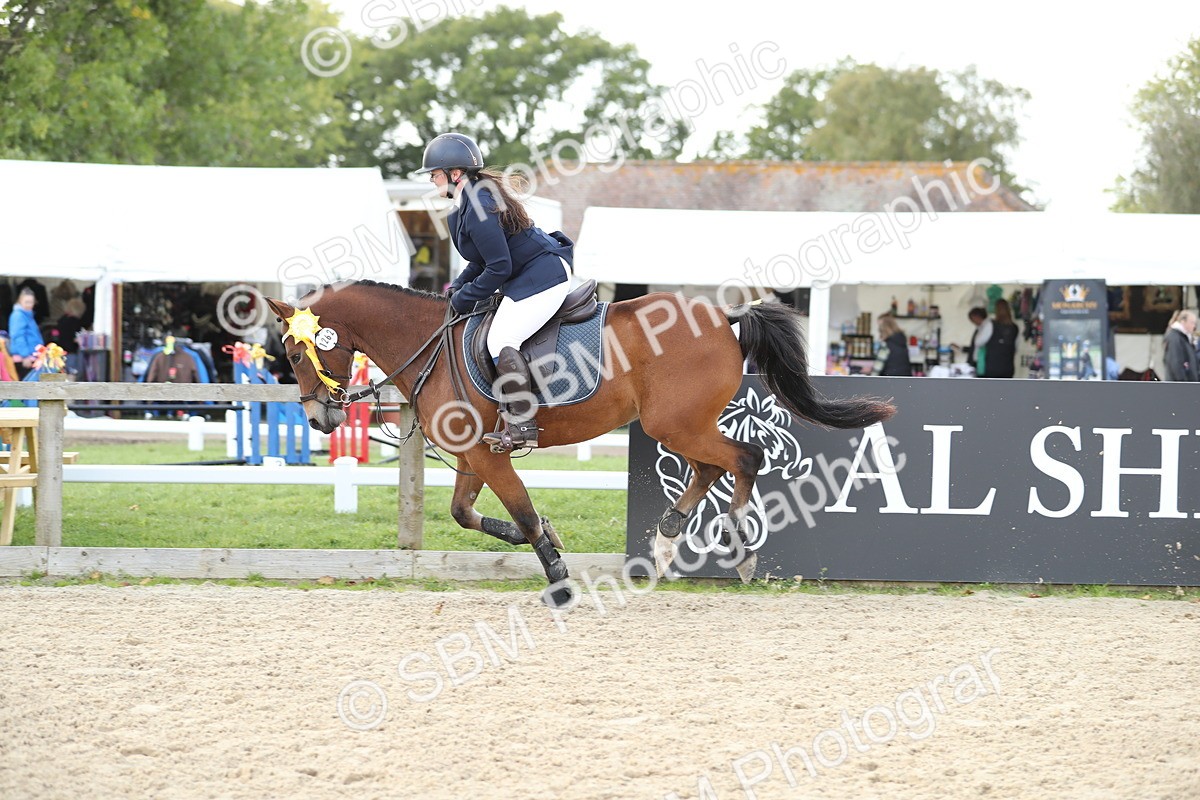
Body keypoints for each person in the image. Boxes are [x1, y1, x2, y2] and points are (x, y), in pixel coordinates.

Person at [416, 132, 575, 452]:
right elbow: (480, 261)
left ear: (455, 173)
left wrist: (464, 298)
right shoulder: (462, 207)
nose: (432, 181)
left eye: (434, 174)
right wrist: (458, 287)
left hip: (545, 275)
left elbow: (499, 268)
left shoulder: (480, 205)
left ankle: (522, 424)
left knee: (500, 340)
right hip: (524, 275)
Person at [7, 287, 44, 376]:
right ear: (20, 301)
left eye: (31, 302)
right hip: (24, 358)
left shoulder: (28, 315)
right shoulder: (18, 316)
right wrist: (25, 356)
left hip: (32, 357)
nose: (29, 305)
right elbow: (18, 336)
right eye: (26, 302)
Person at [980, 298, 1019, 378]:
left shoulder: (991, 324)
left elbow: (979, 342)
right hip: (1008, 367)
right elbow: (1016, 347)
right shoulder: (1015, 327)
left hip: (992, 366)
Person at [1162, 310, 1198, 382]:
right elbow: (1176, 362)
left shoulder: (1184, 338)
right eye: (1192, 323)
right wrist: (1183, 383)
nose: (1194, 326)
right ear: (1183, 321)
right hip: (1179, 387)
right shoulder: (1175, 338)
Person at [964, 306, 991, 375]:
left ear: (977, 316)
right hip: (977, 360)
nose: (973, 322)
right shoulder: (979, 328)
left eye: (972, 319)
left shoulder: (987, 326)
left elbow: (978, 342)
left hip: (983, 361)